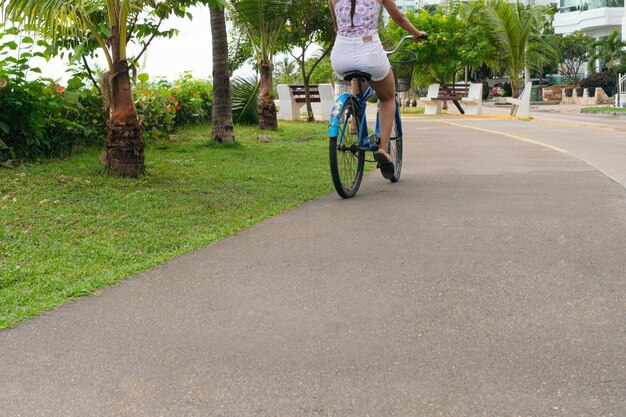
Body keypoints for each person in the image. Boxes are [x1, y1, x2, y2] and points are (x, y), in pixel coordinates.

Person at [329, 0, 427, 178]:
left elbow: (337, 25)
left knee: (357, 75)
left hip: (341, 55)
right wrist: (416, 33)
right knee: (388, 98)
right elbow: (399, 17)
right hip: (370, 52)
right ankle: (382, 149)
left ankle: (355, 119)